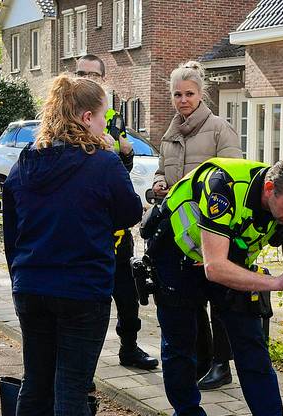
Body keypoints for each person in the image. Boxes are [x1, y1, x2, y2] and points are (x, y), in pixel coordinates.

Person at [1, 75, 143, 416]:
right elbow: (130, 211)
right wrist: (119, 164)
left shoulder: (27, 161)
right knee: (71, 389)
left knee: (37, 383)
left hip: (32, 286)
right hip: (82, 289)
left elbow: (11, 227)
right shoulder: (100, 164)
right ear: (86, 117)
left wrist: (21, 273)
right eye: (103, 117)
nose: (105, 126)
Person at [149, 157, 283, 416]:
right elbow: (214, 268)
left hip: (228, 259)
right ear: (270, 189)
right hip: (175, 255)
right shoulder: (225, 187)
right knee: (182, 351)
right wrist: (274, 283)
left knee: (252, 347)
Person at [151, 60, 246, 391]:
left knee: (218, 298)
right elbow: (162, 170)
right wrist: (159, 183)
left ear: (201, 93)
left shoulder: (221, 128)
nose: (182, 100)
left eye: (189, 93)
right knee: (190, 298)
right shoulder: (170, 132)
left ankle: (222, 365)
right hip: (182, 229)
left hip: (215, 226)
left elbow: (233, 175)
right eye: (177, 94)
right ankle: (203, 361)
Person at [74, 54, 157, 371]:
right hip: (85, 232)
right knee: (85, 303)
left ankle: (129, 348)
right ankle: (83, 364)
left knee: (126, 293)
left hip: (116, 230)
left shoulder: (114, 118)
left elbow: (122, 172)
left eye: (94, 74)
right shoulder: (64, 117)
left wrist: (125, 153)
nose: (88, 78)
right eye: (82, 73)